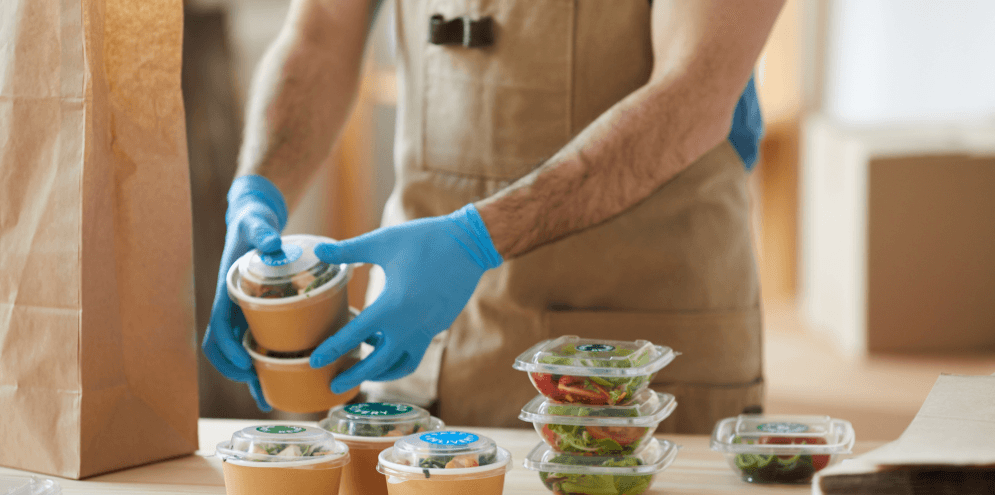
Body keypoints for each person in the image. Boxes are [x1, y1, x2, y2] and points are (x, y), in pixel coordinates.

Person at [203, 0, 785, 433]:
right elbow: (321, 30)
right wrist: (258, 191)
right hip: (426, 345)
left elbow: (695, 93)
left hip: (634, 351)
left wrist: (475, 240)